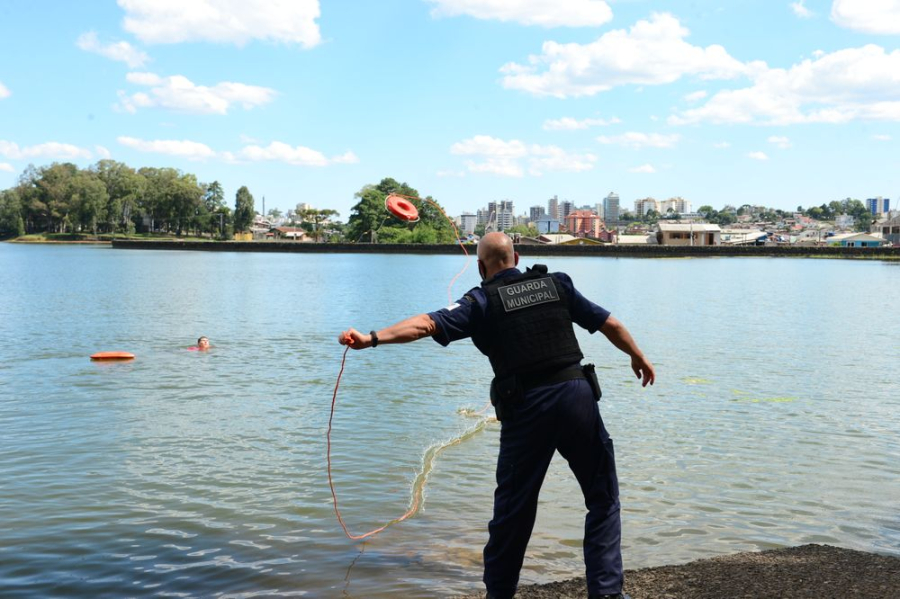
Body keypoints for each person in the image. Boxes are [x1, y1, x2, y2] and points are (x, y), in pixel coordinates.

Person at [338, 232, 655, 599]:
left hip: (527, 409)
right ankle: (608, 594)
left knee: (513, 512)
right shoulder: (557, 284)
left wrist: (371, 338)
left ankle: (499, 594)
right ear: (517, 257)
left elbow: (425, 324)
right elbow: (609, 324)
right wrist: (638, 355)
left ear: (480, 267)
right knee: (602, 499)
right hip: (576, 398)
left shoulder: (480, 300)